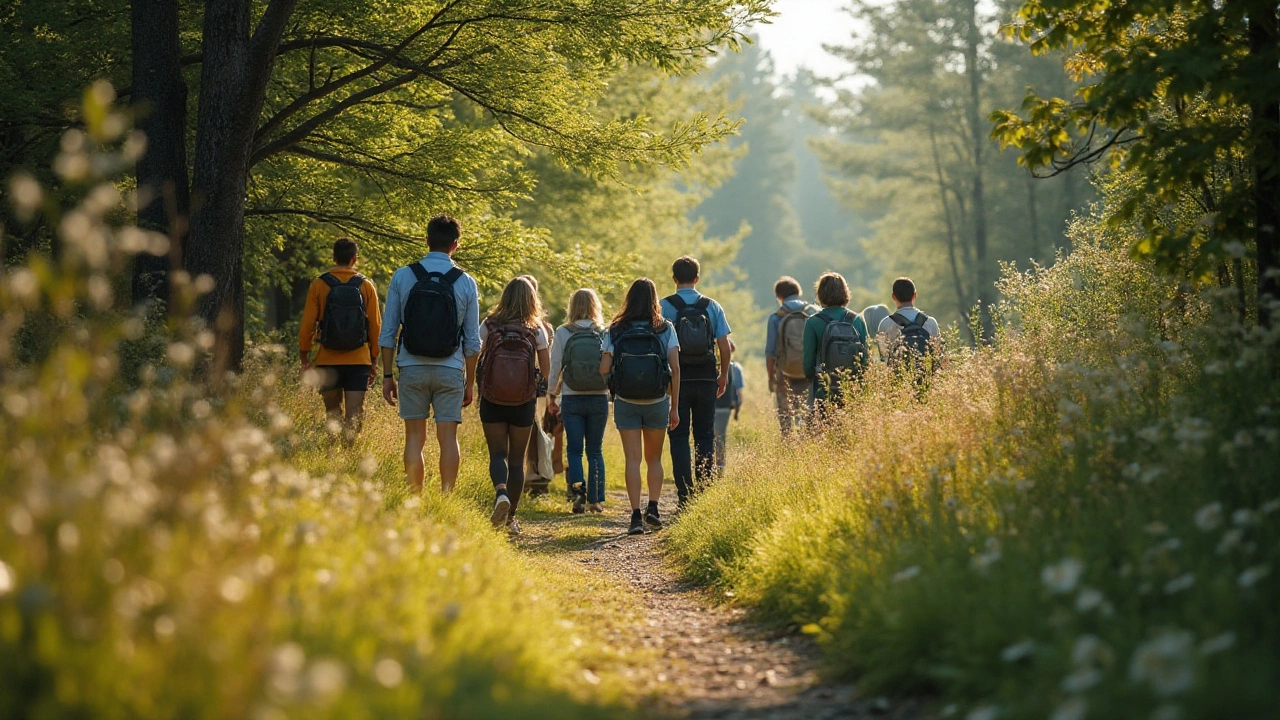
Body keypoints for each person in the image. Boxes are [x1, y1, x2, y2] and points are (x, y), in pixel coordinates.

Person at [379, 215, 481, 495]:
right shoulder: (466, 282)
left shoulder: (403, 276)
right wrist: (469, 382)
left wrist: (388, 375)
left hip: (411, 366)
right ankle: (446, 498)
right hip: (450, 369)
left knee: (414, 437)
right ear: (455, 245)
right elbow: (473, 341)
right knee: (448, 438)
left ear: (427, 240)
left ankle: (415, 500)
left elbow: (388, 333)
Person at [601, 278, 681, 535]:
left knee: (633, 460)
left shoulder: (615, 329)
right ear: (654, 299)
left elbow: (604, 369)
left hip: (626, 401)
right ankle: (654, 509)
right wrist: (675, 407)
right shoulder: (665, 327)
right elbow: (676, 369)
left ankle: (635, 517)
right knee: (654, 458)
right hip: (658, 401)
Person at [476, 277, 552, 534]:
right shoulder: (537, 328)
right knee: (517, 461)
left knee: (498, 454)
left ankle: (500, 494)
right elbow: (547, 370)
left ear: (505, 296)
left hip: (492, 399)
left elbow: (477, 356)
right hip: (523, 401)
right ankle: (510, 520)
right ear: (532, 299)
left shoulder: (489, 324)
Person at [660, 256, 732, 507]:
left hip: (676, 379)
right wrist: (722, 376)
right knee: (704, 435)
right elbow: (724, 345)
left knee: (678, 435)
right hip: (705, 377)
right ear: (697, 279)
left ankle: (684, 494)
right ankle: (704, 491)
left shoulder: (663, 306)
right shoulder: (712, 306)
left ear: (674, 278)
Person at [299, 237, 382, 436]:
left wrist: (304, 356)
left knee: (332, 413)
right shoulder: (366, 286)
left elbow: (308, 325)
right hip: (359, 360)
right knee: (355, 414)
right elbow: (376, 326)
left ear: (334, 258)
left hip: (327, 359)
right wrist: (374, 359)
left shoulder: (319, 285)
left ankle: (332, 459)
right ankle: (350, 457)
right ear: (355, 258)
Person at [547, 289, 610, 514]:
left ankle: (578, 494)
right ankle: (596, 500)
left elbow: (555, 368)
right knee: (595, 450)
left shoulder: (563, 332)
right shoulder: (605, 332)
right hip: (599, 397)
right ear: (596, 305)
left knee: (574, 450)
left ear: (571, 306)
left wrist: (551, 396)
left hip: (571, 397)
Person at [518, 274, 561, 498]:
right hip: (537, 386)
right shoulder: (544, 327)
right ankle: (537, 477)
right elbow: (548, 362)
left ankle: (526, 477)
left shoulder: (499, 323)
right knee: (536, 432)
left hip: (511, 384)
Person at [803, 272, 870, 415]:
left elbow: (808, 361)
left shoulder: (813, 322)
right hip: (852, 387)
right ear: (845, 292)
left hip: (823, 388)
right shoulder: (857, 320)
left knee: (824, 430)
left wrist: (810, 377)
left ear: (820, 294)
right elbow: (866, 358)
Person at [764, 276, 817, 436]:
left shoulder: (776, 317)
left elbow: (770, 352)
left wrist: (771, 377)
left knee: (785, 411)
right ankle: (807, 438)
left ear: (779, 296)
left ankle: (788, 440)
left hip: (784, 371)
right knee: (808, 408)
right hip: (810, 369)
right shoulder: (812, 312)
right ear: (798, 292)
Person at [877, 276, 941, 376]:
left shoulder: (886, 323)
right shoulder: (930, 322)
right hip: (926, 379)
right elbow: (937, 355)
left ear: (893, 297)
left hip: (897, 380)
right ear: (914, 296)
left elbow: (883, 357)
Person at [713, 342, 745, 474]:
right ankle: (720, 467)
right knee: (720, 437)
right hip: (724, 406)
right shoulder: (735, 367)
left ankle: (705, 465)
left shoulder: (707, 364)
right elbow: (739, 392)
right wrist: (737, 411)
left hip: (707, 405)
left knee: (707, 436)